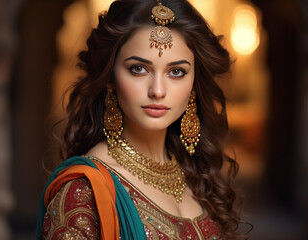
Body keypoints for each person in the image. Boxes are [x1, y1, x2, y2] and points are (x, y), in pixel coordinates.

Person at [36, 0, 249, 239]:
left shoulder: (197, 175)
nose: (157, 90)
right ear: (110, 78)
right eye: (139, 69)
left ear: (194, 86)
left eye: (176, 71)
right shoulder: (84, 193)